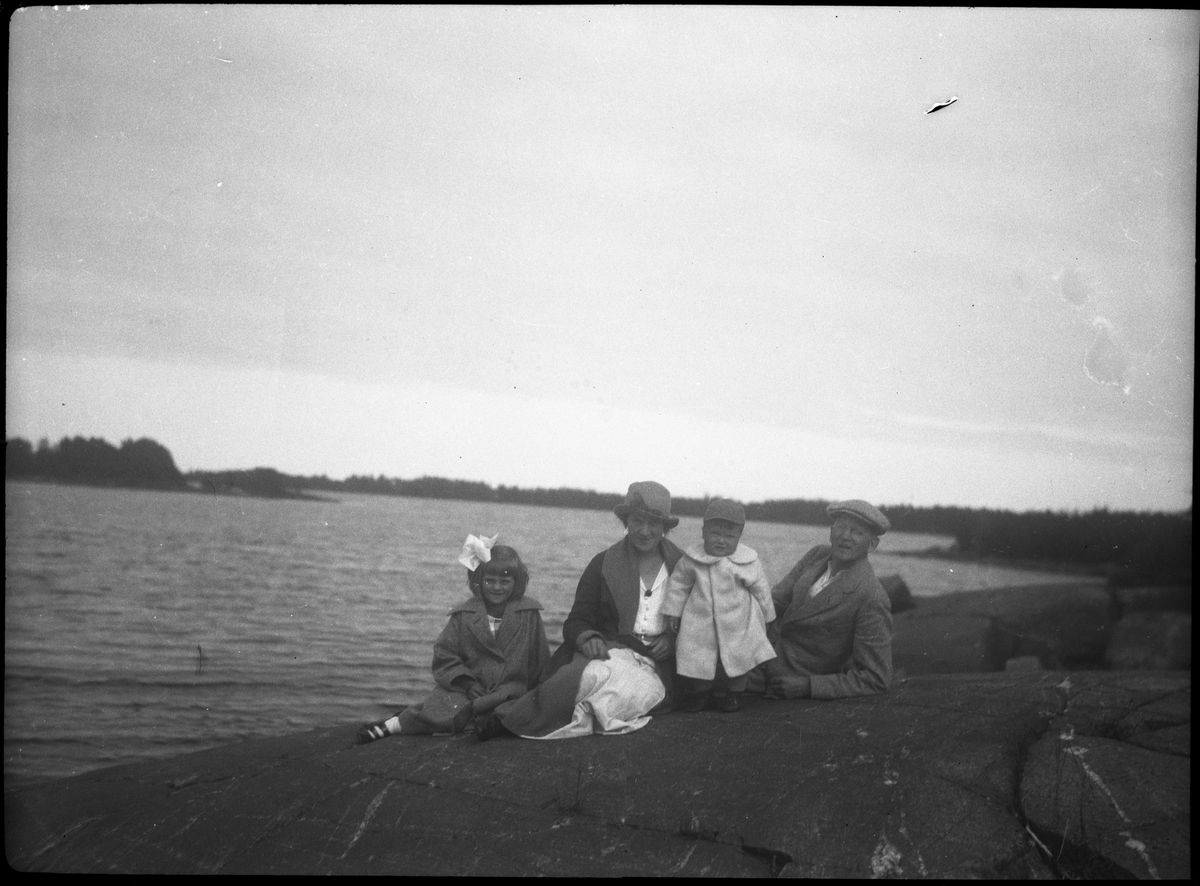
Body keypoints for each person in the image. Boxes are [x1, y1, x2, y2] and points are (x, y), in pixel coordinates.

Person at [476, 481, 684, 740]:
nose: (644, 531)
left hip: (657, 665)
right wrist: (589, 638)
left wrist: (672, 640)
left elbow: (699, 624)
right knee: (590, 677)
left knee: (629, 691)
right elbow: (577, 621)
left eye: (653, 523)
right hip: (612, 652)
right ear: (626, 521)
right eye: (637, 521)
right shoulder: (602, 563)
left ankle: (547, 720)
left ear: (665, 527)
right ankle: (507, 719)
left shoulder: (683, 566)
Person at [356, 535, 549, 742]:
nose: (496, 587)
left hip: (510, 691)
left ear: (516, 582)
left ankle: (494, 722)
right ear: (478, 580)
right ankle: (395, 724)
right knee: (444, 708)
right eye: (489, 581)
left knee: (523, 708)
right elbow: (444, 654)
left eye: (505, 581)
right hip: (471, 690)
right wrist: (467, 683)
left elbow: (540, 658)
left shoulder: (528, 613)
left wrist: (539, 691)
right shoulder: (464, 615)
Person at [750, 499, 893, 699]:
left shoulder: (871, 596)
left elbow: (876, 678)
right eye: (841, 527)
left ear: (872, 544)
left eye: (857, 532)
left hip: (784, 681)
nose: (845, 536)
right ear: (831, 531)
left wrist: (809, 686)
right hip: (755, 657)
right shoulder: (817, 555)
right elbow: (775, 601)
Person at [661, 498, 775, 713]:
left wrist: (768, 616)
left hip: (739, 620)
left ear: (739, 536)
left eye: (729, 536)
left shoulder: (747, 561)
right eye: (715, 534)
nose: (721, 541)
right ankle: (702, 694)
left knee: (741, 656)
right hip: (699, 619)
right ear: (703, 532)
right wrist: (673, 612)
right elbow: (678, 585)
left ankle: (734, 694)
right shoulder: (692, 559)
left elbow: (761, 589)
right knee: (697, 656)